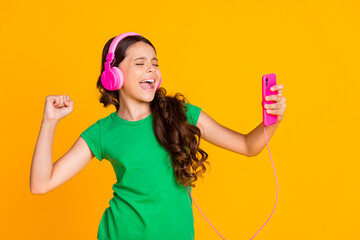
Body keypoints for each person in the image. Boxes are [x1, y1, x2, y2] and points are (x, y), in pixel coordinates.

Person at [30, 34, 286, 240]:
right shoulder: (101, 132)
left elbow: (248, 146)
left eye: (155, 63)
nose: (151, 70)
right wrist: (50, 122)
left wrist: (271, 120)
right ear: (113, 76)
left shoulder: (181, 114)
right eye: (140, 64)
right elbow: (41, 184)